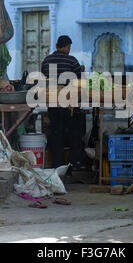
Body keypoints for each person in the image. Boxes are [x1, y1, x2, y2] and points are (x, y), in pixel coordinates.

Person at [41, 35, 85, 171]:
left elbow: (44, 75)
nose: (69, 49)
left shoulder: (47, 60)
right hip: (69, 103)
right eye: (69, 47)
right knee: (74, 135)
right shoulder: (72, 60)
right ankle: (73, 165)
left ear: (56, 45)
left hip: (53, 103)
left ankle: (58, 166)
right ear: (67, 47)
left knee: (56, 134)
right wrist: (81, 69)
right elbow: (79, 77)